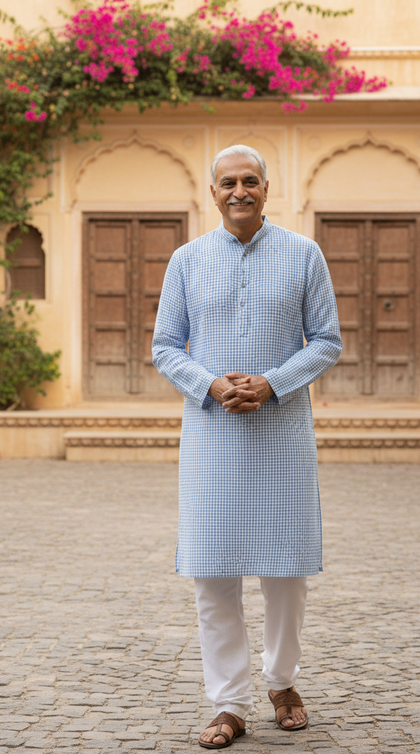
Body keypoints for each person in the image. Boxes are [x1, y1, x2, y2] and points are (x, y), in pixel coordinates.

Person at [152, 144, 342, 749]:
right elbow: (165, 346)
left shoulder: (303, 254)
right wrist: (211, 384)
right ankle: (228, 704)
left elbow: (327, 341)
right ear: (213, 193)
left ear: (266, 188)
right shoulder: (186, 260)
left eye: (250, 181)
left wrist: (272, 383)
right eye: (228, 182)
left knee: (285, 573)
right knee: (213, 576)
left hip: (280, 432)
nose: (240, 190)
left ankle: (282, 681)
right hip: (212, 435)